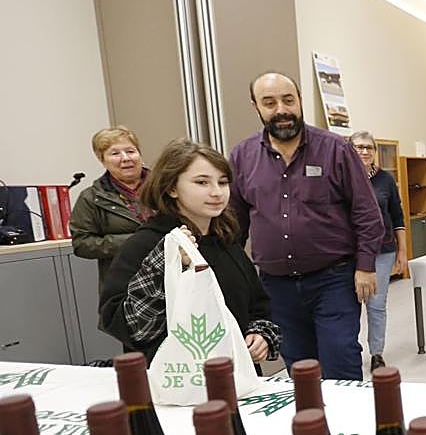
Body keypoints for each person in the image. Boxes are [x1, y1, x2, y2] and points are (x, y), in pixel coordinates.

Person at [228, 72, 384, 380]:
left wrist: (365, 266)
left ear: (300, 101)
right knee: (299, 367)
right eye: (269, 103)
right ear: (256, 107)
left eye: (288, 100)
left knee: (340, 359)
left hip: (334, 279)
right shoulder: (242, 156)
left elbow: (366, 211)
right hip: (276, 285)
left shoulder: (335, 149)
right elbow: (235, 223)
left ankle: (348, 426)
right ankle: (312, 426)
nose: (281, 110)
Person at [99, 139, 280, 364]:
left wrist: (260, 336)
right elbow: (130, 327)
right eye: (202, 182)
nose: (216, 192)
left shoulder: (226, 242)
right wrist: (163, 263)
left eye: (223, 183)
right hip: (173, 385)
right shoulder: (144, 244)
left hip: (235, 379)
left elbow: (258, 307)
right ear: (172, 188)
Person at [70, 126, 153, 291]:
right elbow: (81, 244)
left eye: (130, 151)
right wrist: (133, 242)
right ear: (102, 160)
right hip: (125, 281)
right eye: (115, 154)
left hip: (174, 276)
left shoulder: (165, 187)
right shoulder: (91, 197)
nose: (125, 158)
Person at [350, 130, 407, 371]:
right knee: (349, 304)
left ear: (375, 152)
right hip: (349, 253)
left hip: (383, 251)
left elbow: (397, 216)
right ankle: (350, 350)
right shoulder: (343, 177)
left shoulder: (385, 180)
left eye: (368, 148)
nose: (364, 151)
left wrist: (402, 252)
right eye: (358, 147)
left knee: (376, 304)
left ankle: (376, 353)